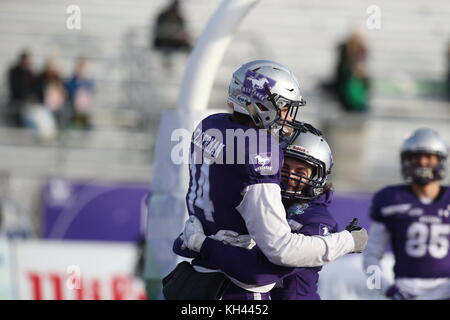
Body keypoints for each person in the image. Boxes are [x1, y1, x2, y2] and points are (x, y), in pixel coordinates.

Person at [165, 60, 368, 300]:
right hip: (235, 288)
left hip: (197, 276)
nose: (287, 117)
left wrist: (202, 242)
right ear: (260, 104)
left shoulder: (211, 125)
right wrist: (347, 241)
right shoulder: (259, 146)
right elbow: (279, 250)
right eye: (283, 107)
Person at [174, 127, 360, 300]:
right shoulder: (259, 200)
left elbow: (257, 273)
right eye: (285, 168)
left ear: (318, 177)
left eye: (300, 172)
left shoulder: (315, 220)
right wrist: (205, 241)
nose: (290, 177)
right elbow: (181, 245)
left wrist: (204, 244)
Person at [363, 128, 450, 300]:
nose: (422, 163)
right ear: (406, 161)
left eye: (428, 157)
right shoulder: (391, 199)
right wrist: (387, 289)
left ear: (440, 160)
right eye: (415, 157)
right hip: (405, 290)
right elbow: (371, 256)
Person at [152, 0, 192, 69]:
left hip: (174, 41)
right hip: (162, 40)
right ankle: (165, 67)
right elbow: (158, 30)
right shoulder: (162, 16)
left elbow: (183, 31)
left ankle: (190, 66)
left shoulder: (180, 18)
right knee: (166, 47)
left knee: (190, 47)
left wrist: (184, 37)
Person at [6, 50, 36, 127]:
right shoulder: (14, 71)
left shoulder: (30, 73)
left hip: (27, 100)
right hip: (17, 99)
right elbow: (14, 87)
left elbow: (33, 87)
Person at [65, 57, 95, 130]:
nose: (81, 70)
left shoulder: (89, 83)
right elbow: (69, 94)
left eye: (83, 67)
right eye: (80, 66)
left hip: (85, 115)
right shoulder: (71, 82)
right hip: (73, 114)